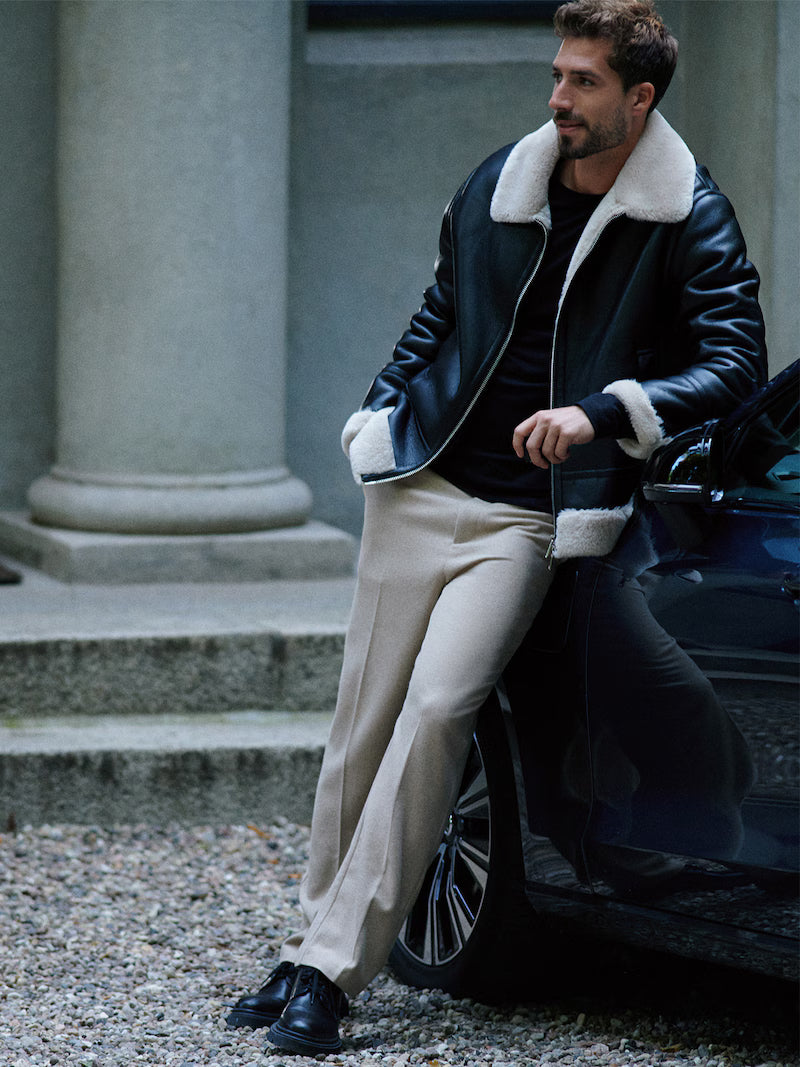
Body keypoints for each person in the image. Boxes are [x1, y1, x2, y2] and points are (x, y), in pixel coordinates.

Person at [226, 0, 766, 1054]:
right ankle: (307, 948)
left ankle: (332, 969)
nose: (557, 96)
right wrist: (379, 419)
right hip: (421, 485)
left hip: (529, 519)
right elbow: (439, 313)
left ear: (639, 97)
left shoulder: (686, 214)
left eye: (582, 81)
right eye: (556, 74)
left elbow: (735, 360)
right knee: (360, 725)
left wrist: (602, 413)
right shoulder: (502, 180)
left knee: (438, 709)